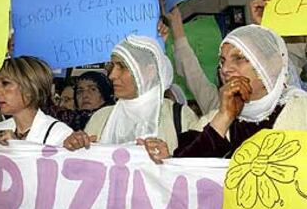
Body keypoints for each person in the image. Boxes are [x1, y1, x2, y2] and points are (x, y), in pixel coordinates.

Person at [152, 25, 307, 158]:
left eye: (239, 58)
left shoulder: (300, 110)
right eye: (222, 61)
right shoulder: (216, 117)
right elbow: (186, 171)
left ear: (272, 65)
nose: (225, 69)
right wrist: (224, 118)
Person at [63, 35, 198, 161]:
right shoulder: (101, 118)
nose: (112, 75)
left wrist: (168, 160)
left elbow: (195, 173)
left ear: (150, 71)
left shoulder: (180, 117)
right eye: (112, 67)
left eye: (122, 67)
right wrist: (75, 148)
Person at [0, 56, 73, 146]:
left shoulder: (59, 133)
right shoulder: (1, 128)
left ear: (30, 89)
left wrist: (17, 147)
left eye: (5, 83)